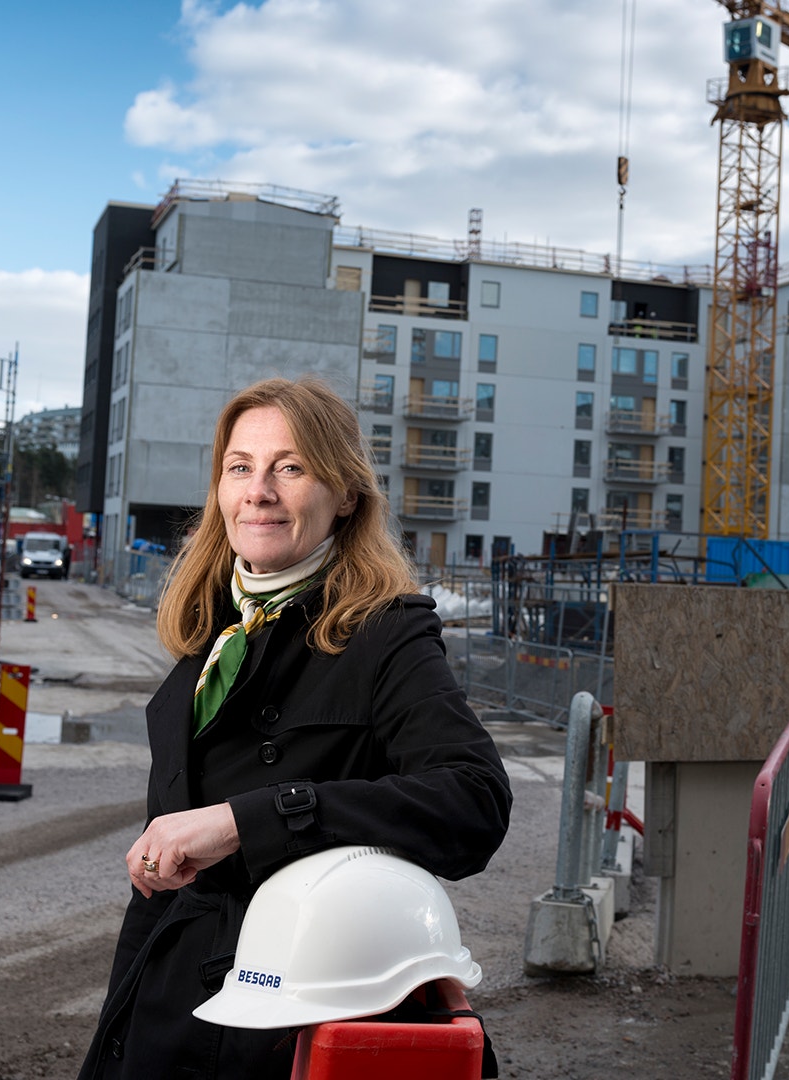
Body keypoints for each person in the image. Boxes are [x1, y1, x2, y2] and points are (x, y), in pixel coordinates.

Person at [79, 376, 513, 1079]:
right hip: (170, 1007)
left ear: (345, 496)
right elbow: (158, 901)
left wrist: (245, 821)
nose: (259, 492)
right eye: (240, 467)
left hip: (293, 1015)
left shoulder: (386, 632)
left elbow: (474, 800)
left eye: (290, 467)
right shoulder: (212, 632)